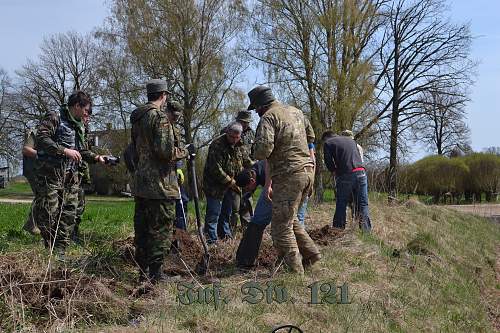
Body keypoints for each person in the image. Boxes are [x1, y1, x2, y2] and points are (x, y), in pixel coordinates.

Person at [249, 85, 320, 274]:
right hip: (307, 172)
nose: (255, 112)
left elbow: (263, 150)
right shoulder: (296, 112)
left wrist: (253, 150)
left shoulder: (269, 117)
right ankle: (311, 254)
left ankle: (295, 272)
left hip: (289, 175)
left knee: (280, 227)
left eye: (255, 108)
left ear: (261, 105)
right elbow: (311, 137)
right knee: (290, 218)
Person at [34, 91, 106, 258]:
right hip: (50, 176)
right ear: (76, 106)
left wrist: (97, 158)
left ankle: (60, 252)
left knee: (68, 215)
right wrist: (64, 150)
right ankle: (49, 248)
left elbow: (82, 150)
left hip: (71, 178)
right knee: (48, 214)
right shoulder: (55, 117)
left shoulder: (81, 125)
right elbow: (41, 139)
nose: (88, 114)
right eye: (87, 110)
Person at [130, 79, 188, 283]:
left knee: (143, 229)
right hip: (161, 185)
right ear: (163, 96)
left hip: (141, 183)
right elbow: (165, 152)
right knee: (161, 229)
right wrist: (183, 152)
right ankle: (156, 274)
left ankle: (143, 272)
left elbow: (133, 151)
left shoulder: (137, 117)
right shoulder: (159, 117)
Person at [203, 121, 252, 244]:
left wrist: (256, 169)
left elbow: (246, 161)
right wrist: (231, 182)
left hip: (231, 187)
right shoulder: (217, 144)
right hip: (214, 186)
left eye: (236, 137)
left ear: (240, 136)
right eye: (231, 136)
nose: (234, 140)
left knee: (226, 213)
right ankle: (211, 241)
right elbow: (215, 169)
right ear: (227, 132)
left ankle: (225, 237)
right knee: (213, 214)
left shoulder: (241, 145)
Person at [322, 130, 372, 232]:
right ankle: (366, 232)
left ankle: (337, 230)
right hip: (361, 172)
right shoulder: (351, 141)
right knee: (362, 204)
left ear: (326, 138)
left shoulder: (328, 143)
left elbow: (328, 162)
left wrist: (334, 171)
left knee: (341, 202)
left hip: (346, 174)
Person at [221, 110, 256, 232]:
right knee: (233, 206)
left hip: (247, 174)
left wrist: (253, 170)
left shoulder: (252, 133)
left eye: (248, 122)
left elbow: (253, 153)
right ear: (238, 120)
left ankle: (247, 230)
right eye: (244, 122)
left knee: (247, 203)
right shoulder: (227, 131)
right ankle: (232, 231)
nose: (246, 125)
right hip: (233, 175)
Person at [72, 106, 92, 243]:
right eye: (86, 115)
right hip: (72, 174)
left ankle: (74, 234)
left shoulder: (85, 132)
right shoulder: (74, 131)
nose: (87, 118)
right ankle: (70, 236)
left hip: (81, 174)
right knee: (73, 207)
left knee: (80, 207)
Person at [22, 128, 40, 235]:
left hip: (42, 170)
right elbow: (26, 150)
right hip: (33, 169)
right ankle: (31, 224)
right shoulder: (35, 132)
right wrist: (43, 155)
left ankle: (32, 224)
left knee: (43, 196)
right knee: (41, 195)